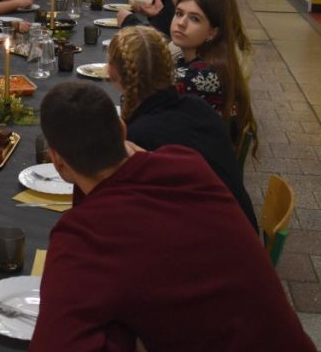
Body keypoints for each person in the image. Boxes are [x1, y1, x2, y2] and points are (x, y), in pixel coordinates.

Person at [27, 82, 321, 352]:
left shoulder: (86, 236)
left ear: (57, 162)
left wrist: (123, 347)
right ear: (123, 130)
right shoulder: (187, 164)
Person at [107, 26, 257, 228]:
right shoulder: (198, 106)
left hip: (213, 238)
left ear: (111, 72)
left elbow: (134, 214)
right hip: (240, 227)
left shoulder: (139, 136)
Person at [171, 0, 257, 150]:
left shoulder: (200, 76)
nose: (181, 23)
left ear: (212, 32)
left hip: (200, 161)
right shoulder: (211, 61)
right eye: (179, 13)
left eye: (195, 19)